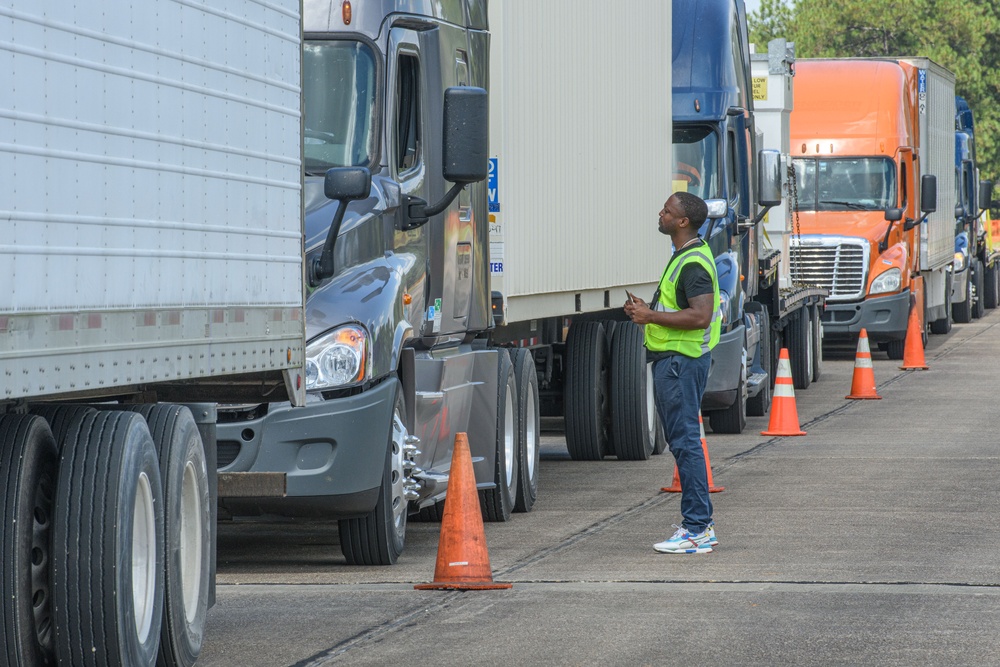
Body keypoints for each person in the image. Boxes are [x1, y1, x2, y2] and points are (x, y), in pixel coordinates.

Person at [624, 191, 721, 554]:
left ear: (683, 222)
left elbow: (700, 316)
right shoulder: (683, 256)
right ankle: (699, 525)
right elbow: (679, 308)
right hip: (675, 360)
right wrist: (646, 311)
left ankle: (697, 528)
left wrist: (650, 316)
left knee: (685, 444)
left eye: (668, 211)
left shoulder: (693, 262)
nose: (660, 213)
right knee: (684, 444)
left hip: (681, 363)